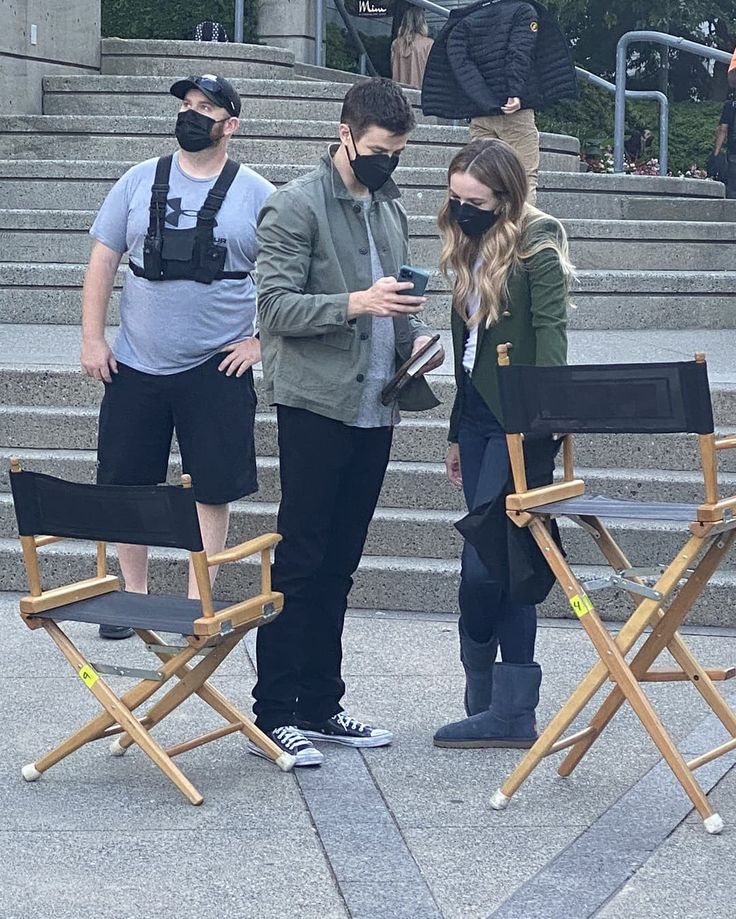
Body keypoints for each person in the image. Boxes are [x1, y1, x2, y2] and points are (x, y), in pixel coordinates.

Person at [252, 77, 444, 766]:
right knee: (300, 559)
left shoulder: (388, 208)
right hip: (314, 403)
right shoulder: (294, 204)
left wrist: (414, 337)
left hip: (378, 406)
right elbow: (273, 310)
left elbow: (394, 299)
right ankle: (273, 709)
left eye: (396, 151)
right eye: (376, 149)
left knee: (341, 563)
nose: (386, 161)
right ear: (344, 134)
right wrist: (355, 304)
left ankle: (321, 701)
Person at [80, 75, 272, 638]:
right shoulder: (138, 181)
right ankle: (132, 598)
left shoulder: (258, 193)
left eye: (205, 108)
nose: (191, 115)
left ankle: (198, 598)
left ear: (229, 125)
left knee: (212, 487)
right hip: (135, 363)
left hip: (216, 367)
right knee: (125, 481)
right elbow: (102, 259)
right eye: (186, 106)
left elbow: (291, 278)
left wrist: (261, 342)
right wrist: (93, 339)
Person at [431, 138, 573, 749]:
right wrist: (457, 431)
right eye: (457, 198)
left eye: (477, 201)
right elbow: (466, 351)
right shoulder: (465, 240)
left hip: (523, 416)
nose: (463, 209)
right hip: (480, 418)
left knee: (499, 563)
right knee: (485, 565)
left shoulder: (537, 242)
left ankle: (510, 710)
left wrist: (545, 415)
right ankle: (486, 696)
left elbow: (551, 331)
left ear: (505, 198)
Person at [421, 0, 577, 202]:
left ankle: (484, 230)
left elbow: (461, 62)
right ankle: (520, 231)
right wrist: (515, 92)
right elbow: (519, 52)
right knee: (524, 178)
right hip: (514, 112)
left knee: (481, 179)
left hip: (480, 113)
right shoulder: (524, 11)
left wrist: (483, 99)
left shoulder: (468, 18)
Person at [391, 6, 434, 89]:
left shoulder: (396, 44)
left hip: (399, 94)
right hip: (420, 95)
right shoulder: (429, 44)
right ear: (423, 22)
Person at [714, 91, 736, 199]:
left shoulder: (730, 105)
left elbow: (723, 129)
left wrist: (716, 153)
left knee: (732, 187)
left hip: (733, 151)